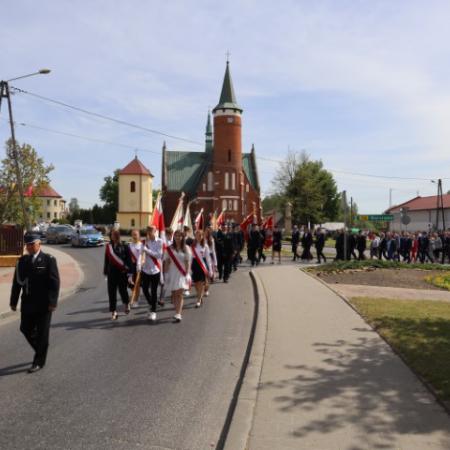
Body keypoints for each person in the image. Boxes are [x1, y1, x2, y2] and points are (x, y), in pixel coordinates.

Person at [10, 233, 60, 373]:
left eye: (32, 244)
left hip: (44, 305)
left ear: (39, 244)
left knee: (43, 333)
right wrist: (13, 302)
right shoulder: (22, 261)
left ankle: (39, 361)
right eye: (27, 244)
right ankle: (41, 348)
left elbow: (54, 283)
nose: (29, 247)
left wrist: (53, 302)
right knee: (25, 328)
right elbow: (17, 283)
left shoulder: (49, 260)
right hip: (28, 303)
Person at [163, 229, 191, 323]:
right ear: (174, 237)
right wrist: (165, 274)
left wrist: (187, 274)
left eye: (180, 236)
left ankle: (178, 313)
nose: (177, 237)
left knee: (179, 293)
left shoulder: (186, 248)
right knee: (174, 294)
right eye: (176, 236)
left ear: (183, 237)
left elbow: (187, 262)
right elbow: (167, 262)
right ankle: (177, 311)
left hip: (181, 273)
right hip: (172, 272)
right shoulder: (169, 248)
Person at [104, 229, 132, 320]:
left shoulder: (124, 246)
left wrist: (129, 272)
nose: (114, 236)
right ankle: (114, 311)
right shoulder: (109, 247)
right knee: (111, 293)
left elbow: (129, 260)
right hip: (111, 274)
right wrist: (105, 272)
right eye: (112, 234)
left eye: (115, 234)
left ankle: (127, 304)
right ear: (110, 236)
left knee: (122, 291)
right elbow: (107, 260)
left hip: (122, 273)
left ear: (118, 236)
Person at [141, 226, 164, 321]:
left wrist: (146, 250)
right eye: (148, 231)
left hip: (155, 270)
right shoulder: (145, 242)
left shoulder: (159, 241)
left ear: (155, 231)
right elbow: (140, 254)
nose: (150, 233)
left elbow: (158, 255)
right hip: (146, 270)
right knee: (145, 290)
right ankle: (152, 303)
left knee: (154, 292)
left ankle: (153, 311)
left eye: (151, 231)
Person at [191, 230, 213, 307]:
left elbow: (208, 258)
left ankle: (199, 299)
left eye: (200, 235)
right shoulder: (192, 246)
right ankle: (200, 295)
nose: (199, 237)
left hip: (202, 265)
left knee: (201, 283)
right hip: (194, 265)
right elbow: (190, 257)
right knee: (196, 284)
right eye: (197, 235)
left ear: (202, 236)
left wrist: (210, 270)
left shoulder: (205, 246)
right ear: (195, 236)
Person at [128, 229, 143, 308]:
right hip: (131, 267)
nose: (134, 236)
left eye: (136, 234)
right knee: (131, 284)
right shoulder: (129, 245)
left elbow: (143, 257)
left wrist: (140, 264)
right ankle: (134, 297)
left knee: (137, 285)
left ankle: (136, 300)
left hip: (139, 266)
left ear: (139, 235)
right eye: (133, 234)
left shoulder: (141, 245)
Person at [204, 227, 217, 297]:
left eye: (207, 232)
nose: (205, 233)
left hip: (210, 257)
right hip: (203, 258)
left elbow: (213, 251)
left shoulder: (211, 240)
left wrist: (215, 263)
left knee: (208, 274)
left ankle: (206, 289)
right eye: (205, 232)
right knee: (203, 275)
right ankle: (203, 288)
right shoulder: (201, 239)